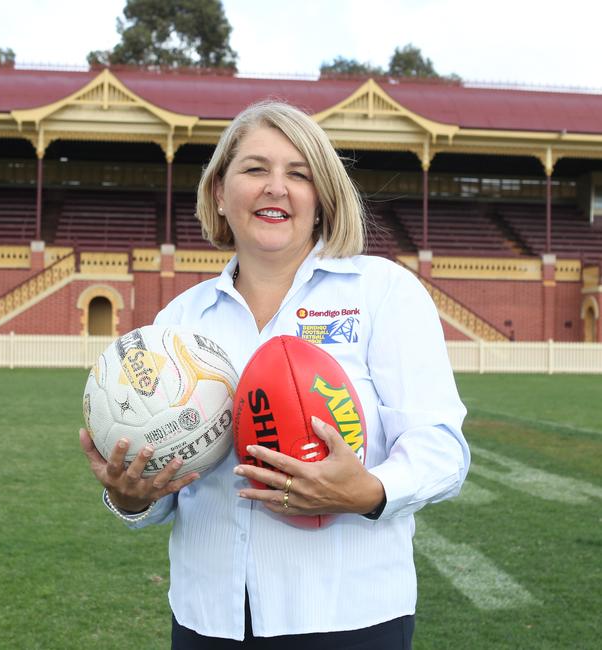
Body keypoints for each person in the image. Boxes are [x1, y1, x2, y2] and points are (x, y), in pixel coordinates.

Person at [80, 100, 470, 649]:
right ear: (220, 191)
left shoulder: (382, 291)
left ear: (323, 196)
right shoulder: (179, 323)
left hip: (350, 619)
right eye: (255, 168)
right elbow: (168, 496)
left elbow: (441, 448)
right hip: (206, 621)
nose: (276, 187)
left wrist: (369, 490)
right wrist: (132, 497)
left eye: (299, 173)